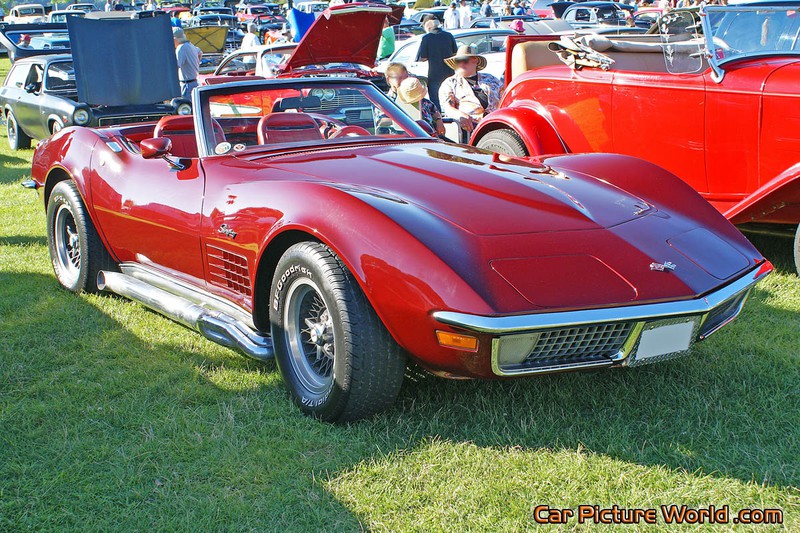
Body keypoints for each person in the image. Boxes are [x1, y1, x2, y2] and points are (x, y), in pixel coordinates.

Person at [438, 45, 503, 141]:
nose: (461, 64)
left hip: (496, 126)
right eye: (458, 61)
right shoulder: (450, 83)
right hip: (469, 130)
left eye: (464, 60)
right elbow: (447, 107)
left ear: (475, 60)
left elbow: (505, 98)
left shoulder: (491, 79)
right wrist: (461, 116)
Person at [415, 18, 457, 110]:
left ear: (428, 28)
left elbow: (423, 58)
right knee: (451, 96)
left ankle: (438, 117)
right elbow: (455, 53)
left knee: (435, 99)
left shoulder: (426, 38)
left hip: (434, 73)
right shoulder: (449, 35)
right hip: (449, 71)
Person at [173, 27, 201, 97]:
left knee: (186, 106)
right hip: (194, 82)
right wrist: (196, 64)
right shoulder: (191, 45)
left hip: (187, 85)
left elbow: (175, 66)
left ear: (175, 39)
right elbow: (200, 52)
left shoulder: (180, 49)